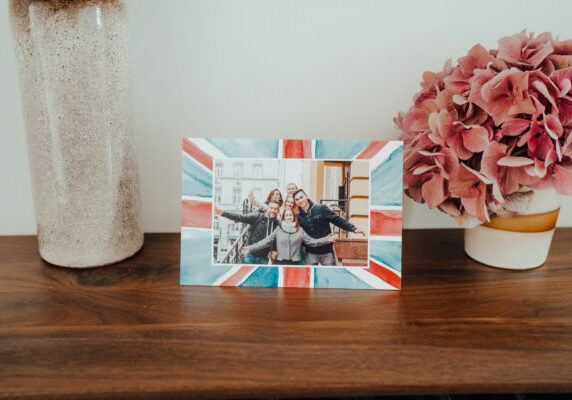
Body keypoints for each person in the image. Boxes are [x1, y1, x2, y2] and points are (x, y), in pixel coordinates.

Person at [293, 189, 366, 266]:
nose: (300, 200)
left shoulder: (321, 209)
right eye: (297, 199)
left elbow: (337, 220)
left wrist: (353, 228)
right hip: (310, 254)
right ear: (295, 202)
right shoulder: (297, 217)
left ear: (306, 196)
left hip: (327, 252)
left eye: (301, 197)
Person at [241, 208, 334, 265]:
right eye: (286, 215)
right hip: (279, 263)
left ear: (294, 217)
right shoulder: (278, 229)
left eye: (290, 215)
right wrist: (250, 248)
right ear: (284, 217)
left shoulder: (300, 231)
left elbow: (312, 242)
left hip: (295, 263)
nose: (288, 217)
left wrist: (326, 239)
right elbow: (265, 241)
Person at [215, 201, 280, 264]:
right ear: (267, 208)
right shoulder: (258, 216)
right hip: (250, 255)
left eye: (275, 209)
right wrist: (223, 213)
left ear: (278, 211)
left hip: (264, 258)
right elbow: (240, 217)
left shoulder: (277, 223)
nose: (273, 211)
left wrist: (274, 250)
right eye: (271, 208)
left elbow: (275, 239)